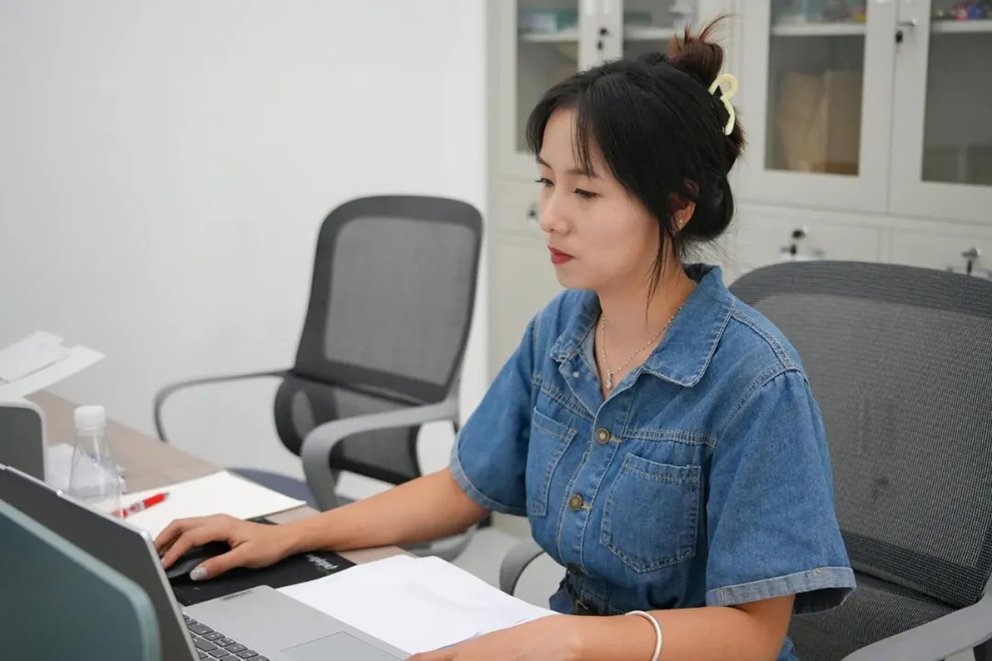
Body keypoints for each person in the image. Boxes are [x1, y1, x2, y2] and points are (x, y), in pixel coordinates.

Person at [156, 22, 855, 661]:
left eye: (585, 192)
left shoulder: (754, 380)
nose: (549, 216)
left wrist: (570, 638)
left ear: (677, 203)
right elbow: (465, 488)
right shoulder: (561, 331)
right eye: (547, 182)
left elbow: (753, 635)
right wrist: (288, 534)